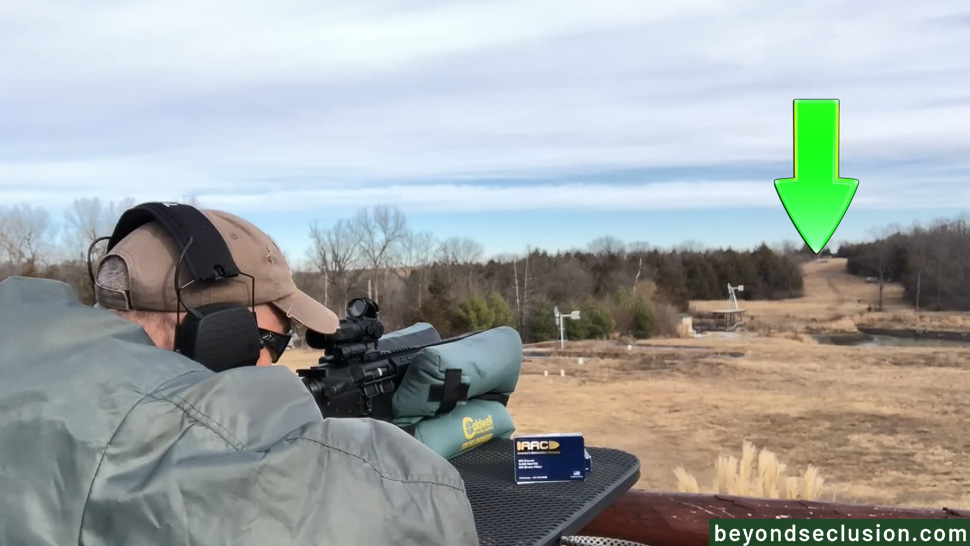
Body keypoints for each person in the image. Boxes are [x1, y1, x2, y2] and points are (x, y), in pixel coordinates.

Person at [0, 205, 480, 545]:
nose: (276, 364)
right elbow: (420, 515)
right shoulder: (158, 458)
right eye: (273, 341)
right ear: (215, 336)